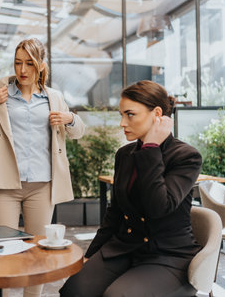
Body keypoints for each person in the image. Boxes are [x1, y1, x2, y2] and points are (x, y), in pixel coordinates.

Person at [0, 38, 85, 296]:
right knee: (4, 252)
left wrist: (70, 118)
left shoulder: (54, 98)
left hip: (42, 186)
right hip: (3, 186)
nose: (22, 70)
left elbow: (77, 132)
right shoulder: (0, 92)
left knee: (37, 253)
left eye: (29, 63)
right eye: (18, 63)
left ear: (41, 66)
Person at [59, 80, 202, 296]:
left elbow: (158, 207)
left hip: (166, 255)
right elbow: (115, 213)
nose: (122, 123)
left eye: (130, 114)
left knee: (118, 295)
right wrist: (91, 255)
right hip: (124, 248)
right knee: (74, 289)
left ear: (156, 113)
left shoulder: (186, 156)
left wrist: (151, 147)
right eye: (121, 115)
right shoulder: (124, 155)